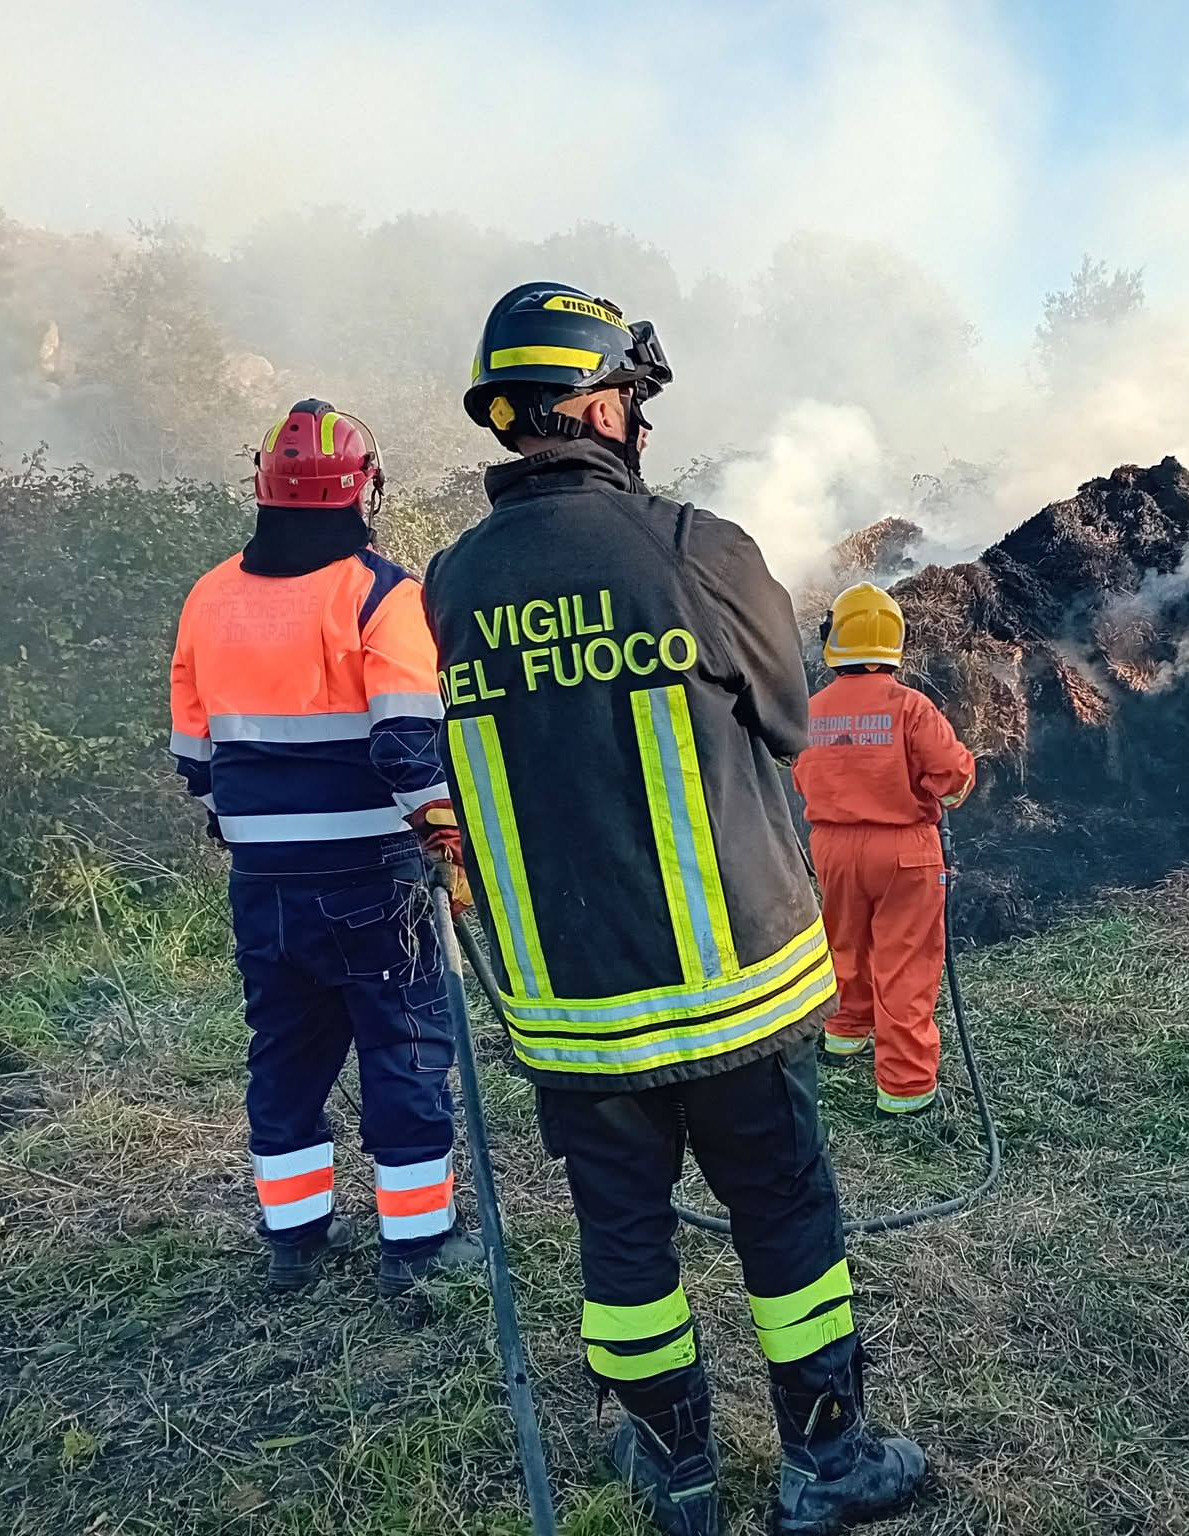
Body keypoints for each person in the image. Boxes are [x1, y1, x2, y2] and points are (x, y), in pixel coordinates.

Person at [422, 284, 925, 1536]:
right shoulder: (702, 550)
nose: (636, 422)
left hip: (573, 1014)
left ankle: (675, 1471)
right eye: (630, 399)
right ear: (599, 404)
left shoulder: (449, 584)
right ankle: (825, 1462)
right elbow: (791, 721)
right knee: (786, 1217)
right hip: (738, 991)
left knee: (624, 1248)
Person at [169, 399, 480, 1297]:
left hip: (262, 879)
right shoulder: (385, 595)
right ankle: (419, 1249)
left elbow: (194, 757)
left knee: (285, 1052)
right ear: (365, 489)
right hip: (371, 875)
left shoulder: (210, 593)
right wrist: (446, 834)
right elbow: (406, 746)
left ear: (261, 487)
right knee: (406, 1046)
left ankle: (293, 1241)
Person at [793, 585, 976, 1116]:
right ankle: (905, 1088)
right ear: (895, 642)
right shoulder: (911, 707)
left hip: (832, 847)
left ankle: (844, 1034)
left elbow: (799, 773)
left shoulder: (812, 709)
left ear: (834, 639)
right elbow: (952, 781)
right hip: (906, 852)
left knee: (843, 944)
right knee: (906, 962)